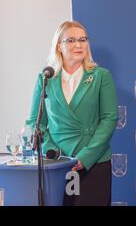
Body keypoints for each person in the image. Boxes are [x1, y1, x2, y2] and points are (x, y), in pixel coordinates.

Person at [27, 21, 118, 206]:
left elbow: (109, 119)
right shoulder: (46, 78)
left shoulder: (101, 76)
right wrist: (52, 152)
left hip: (93, 162)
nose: (79, 45)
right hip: (56, 164)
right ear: (59, 46)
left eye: (83, 39)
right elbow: (35, 123)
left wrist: (85, 158)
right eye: (71, 40)